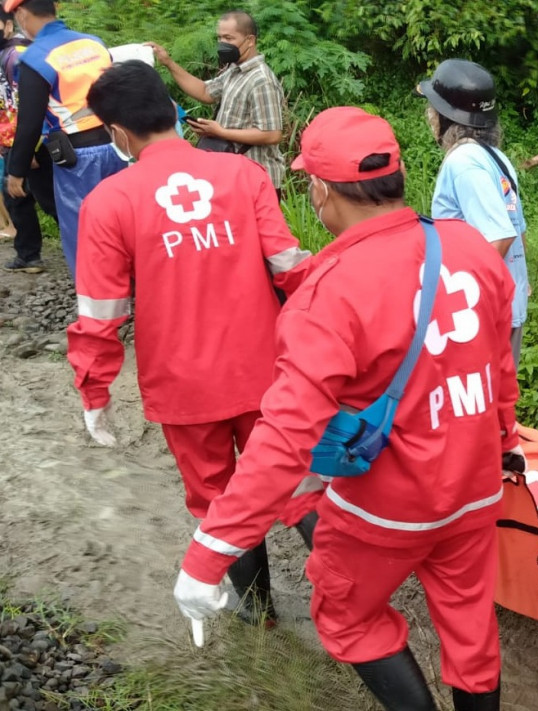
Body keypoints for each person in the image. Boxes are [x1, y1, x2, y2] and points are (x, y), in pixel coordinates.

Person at [172, 107, 522, 711]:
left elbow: (285, 436)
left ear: (320, 189)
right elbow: (499, 370)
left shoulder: (330, 289)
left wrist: (210, 552)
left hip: (385, 508)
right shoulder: (468, 246)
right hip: (474, 488)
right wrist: (505, 441)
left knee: (347, 615)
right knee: (469, 622)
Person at [67, 60, 318, 624]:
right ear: (172, 110)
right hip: (265, 369)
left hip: (183, 386)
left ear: (118, 132)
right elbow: (292, 268)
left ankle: (257, 615)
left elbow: (101, 314)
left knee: (217, 497)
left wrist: (94, 391)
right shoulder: (243, 176)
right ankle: (351, 602)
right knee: (297, 481)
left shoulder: (109, 202)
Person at [3, 0, 125, 281]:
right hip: (118, 146)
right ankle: (133, 283)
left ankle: (97, 295)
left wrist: (16, 171)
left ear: (21, 14)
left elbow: (30, 122)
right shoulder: (93, 43)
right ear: (54, 9)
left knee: (84, 230)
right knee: (120, 220)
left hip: (78, 159)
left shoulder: (35, 58)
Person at [418, 59, 530, 367]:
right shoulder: (495, 157)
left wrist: (464, 298)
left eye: (432, 109)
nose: (429, 116)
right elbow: (517, 228)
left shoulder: (463, 161)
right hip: (507, 303)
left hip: (481, 313)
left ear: (445, 117)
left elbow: (500, 236)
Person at [147, 10, 286, 197]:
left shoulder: (261, 80)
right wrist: (168, 63)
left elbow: (271, 134)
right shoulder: (234, 70)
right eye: (220, 38)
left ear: (250, 40)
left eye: (229, 38)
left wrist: (220, 132)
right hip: (235, 175)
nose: (222, 44)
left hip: (257, 181)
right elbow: (205, 92)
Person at [0, 7, 55, 273]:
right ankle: (28, 255)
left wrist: (29, 148)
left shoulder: (17, 56)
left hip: (30, 143)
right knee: (16, 198)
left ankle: (93, 254)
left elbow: (30, 106)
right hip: (13, 141)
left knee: (51, 200)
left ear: (9, 26)